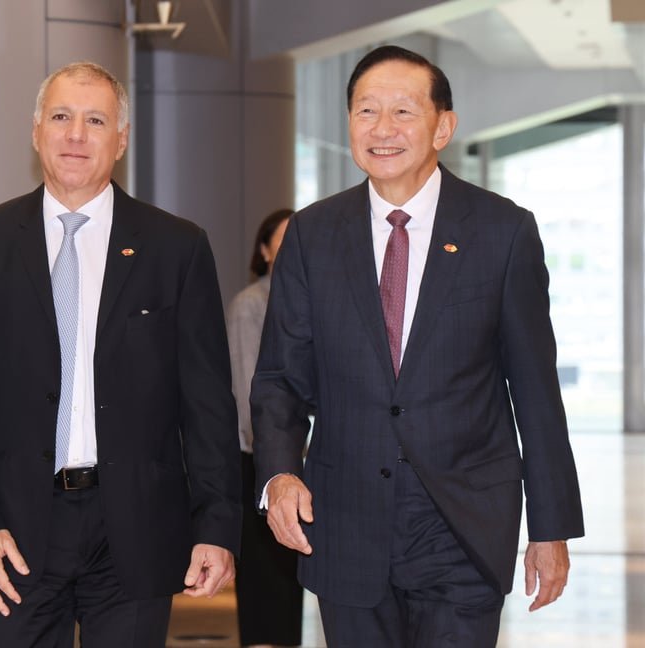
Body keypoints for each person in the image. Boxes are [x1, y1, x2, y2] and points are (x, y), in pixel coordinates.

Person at [250, 45, 585, 647]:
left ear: (443, 127)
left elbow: (535, 389)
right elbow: (280, 376)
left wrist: (551, 527)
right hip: (345, 521)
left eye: (403, 112)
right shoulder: (312, 235)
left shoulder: (502, 232)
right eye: (366, 111)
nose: (382, 129)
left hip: (462, 526)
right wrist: (278, 473)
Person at [0, 61, 241, 647]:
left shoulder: (177, 248)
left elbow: (207, 405)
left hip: (136, 530)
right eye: (61, 117)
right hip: (15, 533)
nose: (76, 135)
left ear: (121, 139)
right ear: (36, 132)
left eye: (95, 120)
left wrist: (217, 527)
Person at [226, 208, 303, 648]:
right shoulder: (250, 304)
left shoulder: (314, 301)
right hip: (262, 466)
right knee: (266, 590)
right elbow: (248, 393)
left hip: (302, 466)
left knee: (290, 589)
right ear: (264, 250)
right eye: (283, 240)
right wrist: (277, 458)